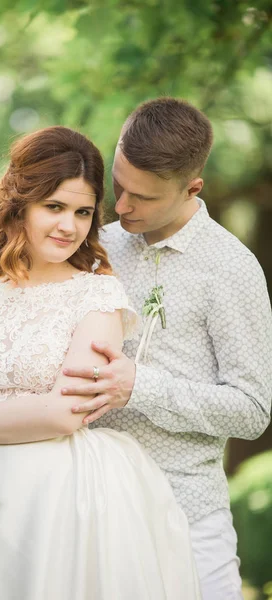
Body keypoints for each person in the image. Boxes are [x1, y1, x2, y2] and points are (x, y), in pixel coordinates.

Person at [0, 126, 201, 600]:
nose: (69, 226)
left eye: (82, 212)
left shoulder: (99, 296)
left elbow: (62, 413)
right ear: (19, 205)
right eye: (53, 207)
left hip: (62, 495)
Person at [61, 98, 272, 600]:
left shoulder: (232, 269)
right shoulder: (93, 250)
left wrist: (142, 387)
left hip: (188, 515)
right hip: (91, 509)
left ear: (191, 188)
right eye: (119, 185)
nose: (124, 206)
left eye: (145, 198)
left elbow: (253, 410)